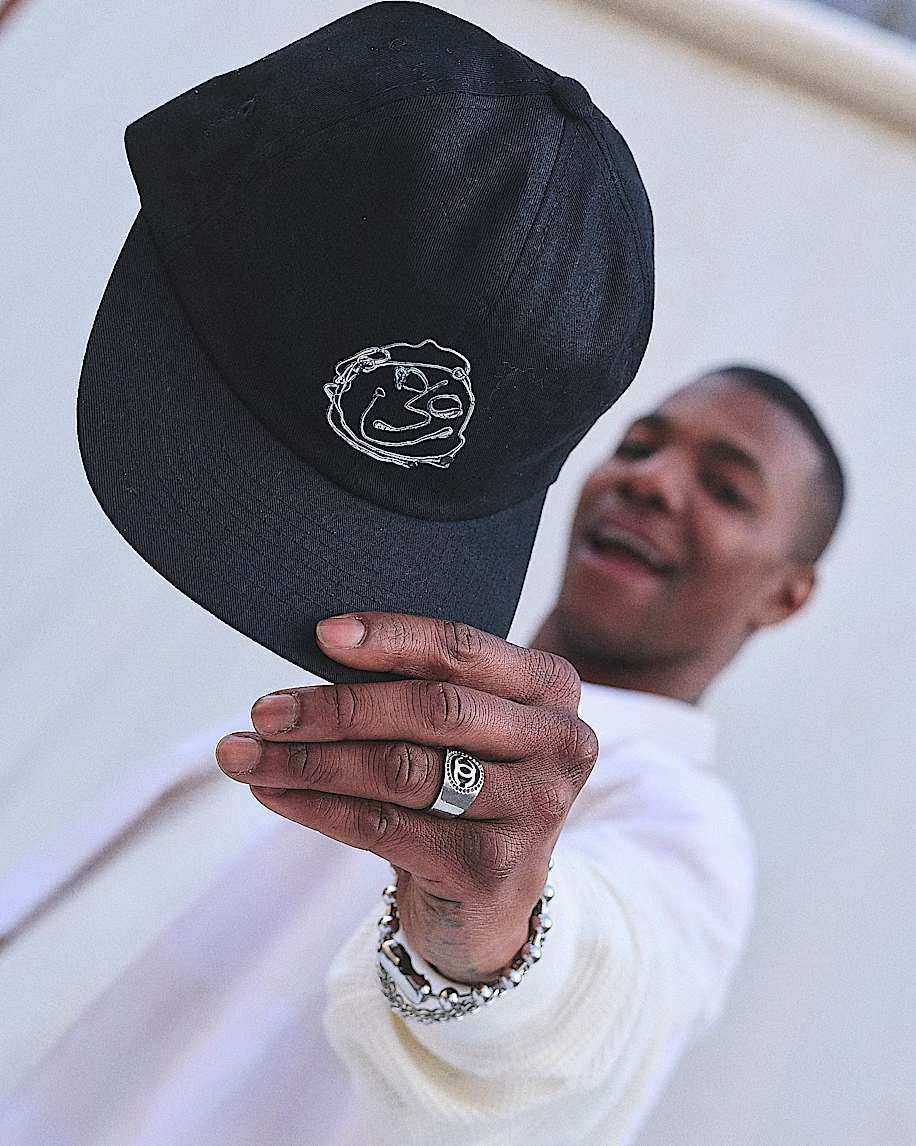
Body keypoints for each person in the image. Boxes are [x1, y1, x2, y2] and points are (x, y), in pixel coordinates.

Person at [0, 363, 844, 1145]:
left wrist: (491, 940)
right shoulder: (397, 666)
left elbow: (600, 1016)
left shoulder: (685, 821)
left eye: (726, 490)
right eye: (637, 445)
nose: (650, 481)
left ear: (787, 593)